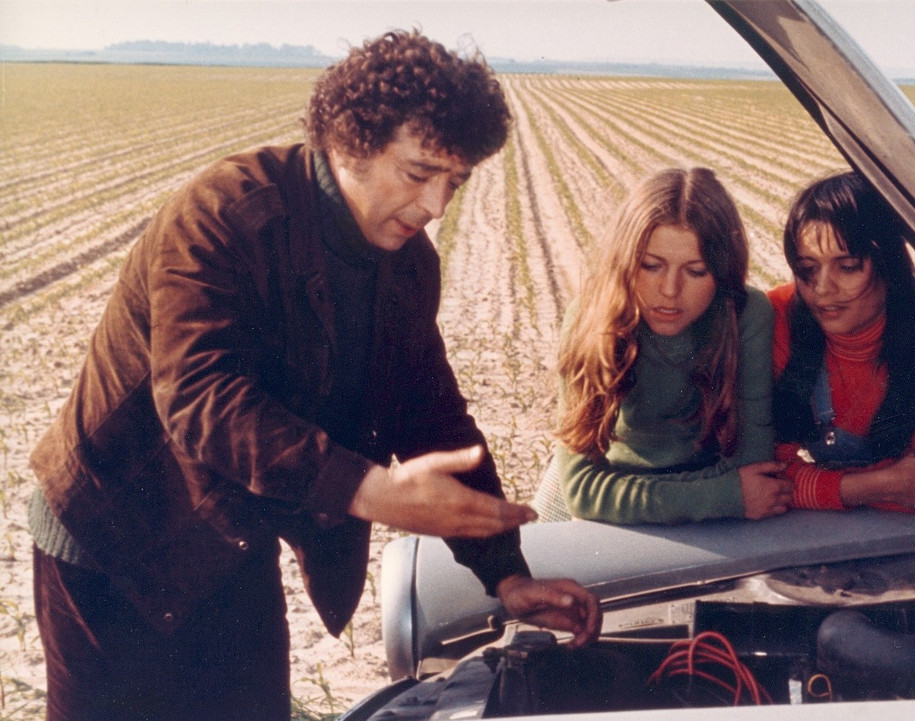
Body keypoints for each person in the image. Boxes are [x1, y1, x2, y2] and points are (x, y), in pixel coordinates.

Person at [27, 30, 599, 721]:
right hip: (109, 542)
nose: (436, 207)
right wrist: (370, 490)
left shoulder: (408, 263)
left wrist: (505, 571)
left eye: (457, 180)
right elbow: (200, 398)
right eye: (418, 174)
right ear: (350, 139)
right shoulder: (222, 215)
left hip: (230, 538)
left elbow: (431, 415)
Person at [534, 167, 789, 525]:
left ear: (725, 271)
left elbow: (755, 471)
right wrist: (720, 494)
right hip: (620, 502)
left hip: (634, 498)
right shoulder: (589, 317)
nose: (670, 290)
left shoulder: (747, 314)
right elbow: (581, 491)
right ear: (624, 263)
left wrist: (711, 495)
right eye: (651, 266)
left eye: (696, 271)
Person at [769, 171, 915, 513]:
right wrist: (883, 484)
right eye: (807, 269)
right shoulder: (782, 316)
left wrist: (822, 487)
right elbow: (770, 479)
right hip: (868, 521)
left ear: (888, 264)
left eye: (847, 267)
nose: (822, 289)